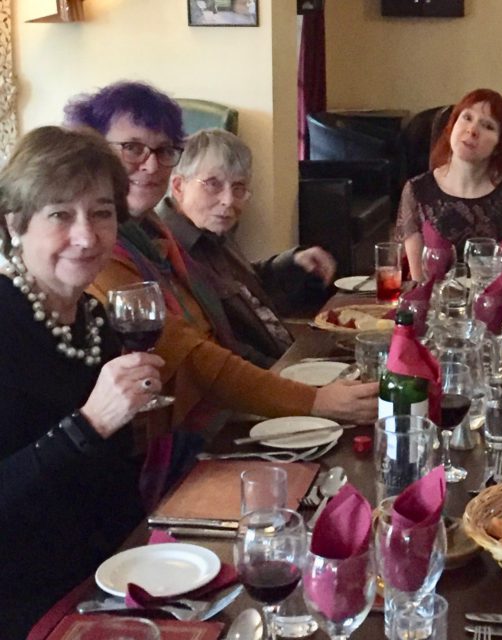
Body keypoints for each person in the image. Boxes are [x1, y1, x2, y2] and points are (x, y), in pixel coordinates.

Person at [63, 81, 377, 439]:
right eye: (132, 148)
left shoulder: (150, 230)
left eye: (165, 150)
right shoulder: (100, 251)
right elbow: (190, 353)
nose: (151, 165)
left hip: (221, 400)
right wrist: (314, 401)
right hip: (176, 432)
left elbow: (225, 297)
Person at [0, 127, 165, 635]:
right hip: (26, 596)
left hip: (114, 573)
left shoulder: (94, 319)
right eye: (59, 215)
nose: (86, 236)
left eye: (101, 212)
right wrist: (89, 424)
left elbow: (111, 477)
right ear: (15, 225)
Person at [159, 128, 336, 368]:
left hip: (284, 360)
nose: (229, 200)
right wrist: (292, 374)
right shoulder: (166, 252)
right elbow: (220, 350)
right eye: (213, 184)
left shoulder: (212, 230)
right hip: (260, 381)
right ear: (179, 186)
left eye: (239, 187)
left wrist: (293, 261)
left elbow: (244, 289)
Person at [396, 88, 502, 282]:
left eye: (488, 126)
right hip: (440, 310)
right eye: (467, 117)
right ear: (452, 126)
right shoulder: (417, 191)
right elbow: (418, 284)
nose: (472, 130)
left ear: (499, 146)